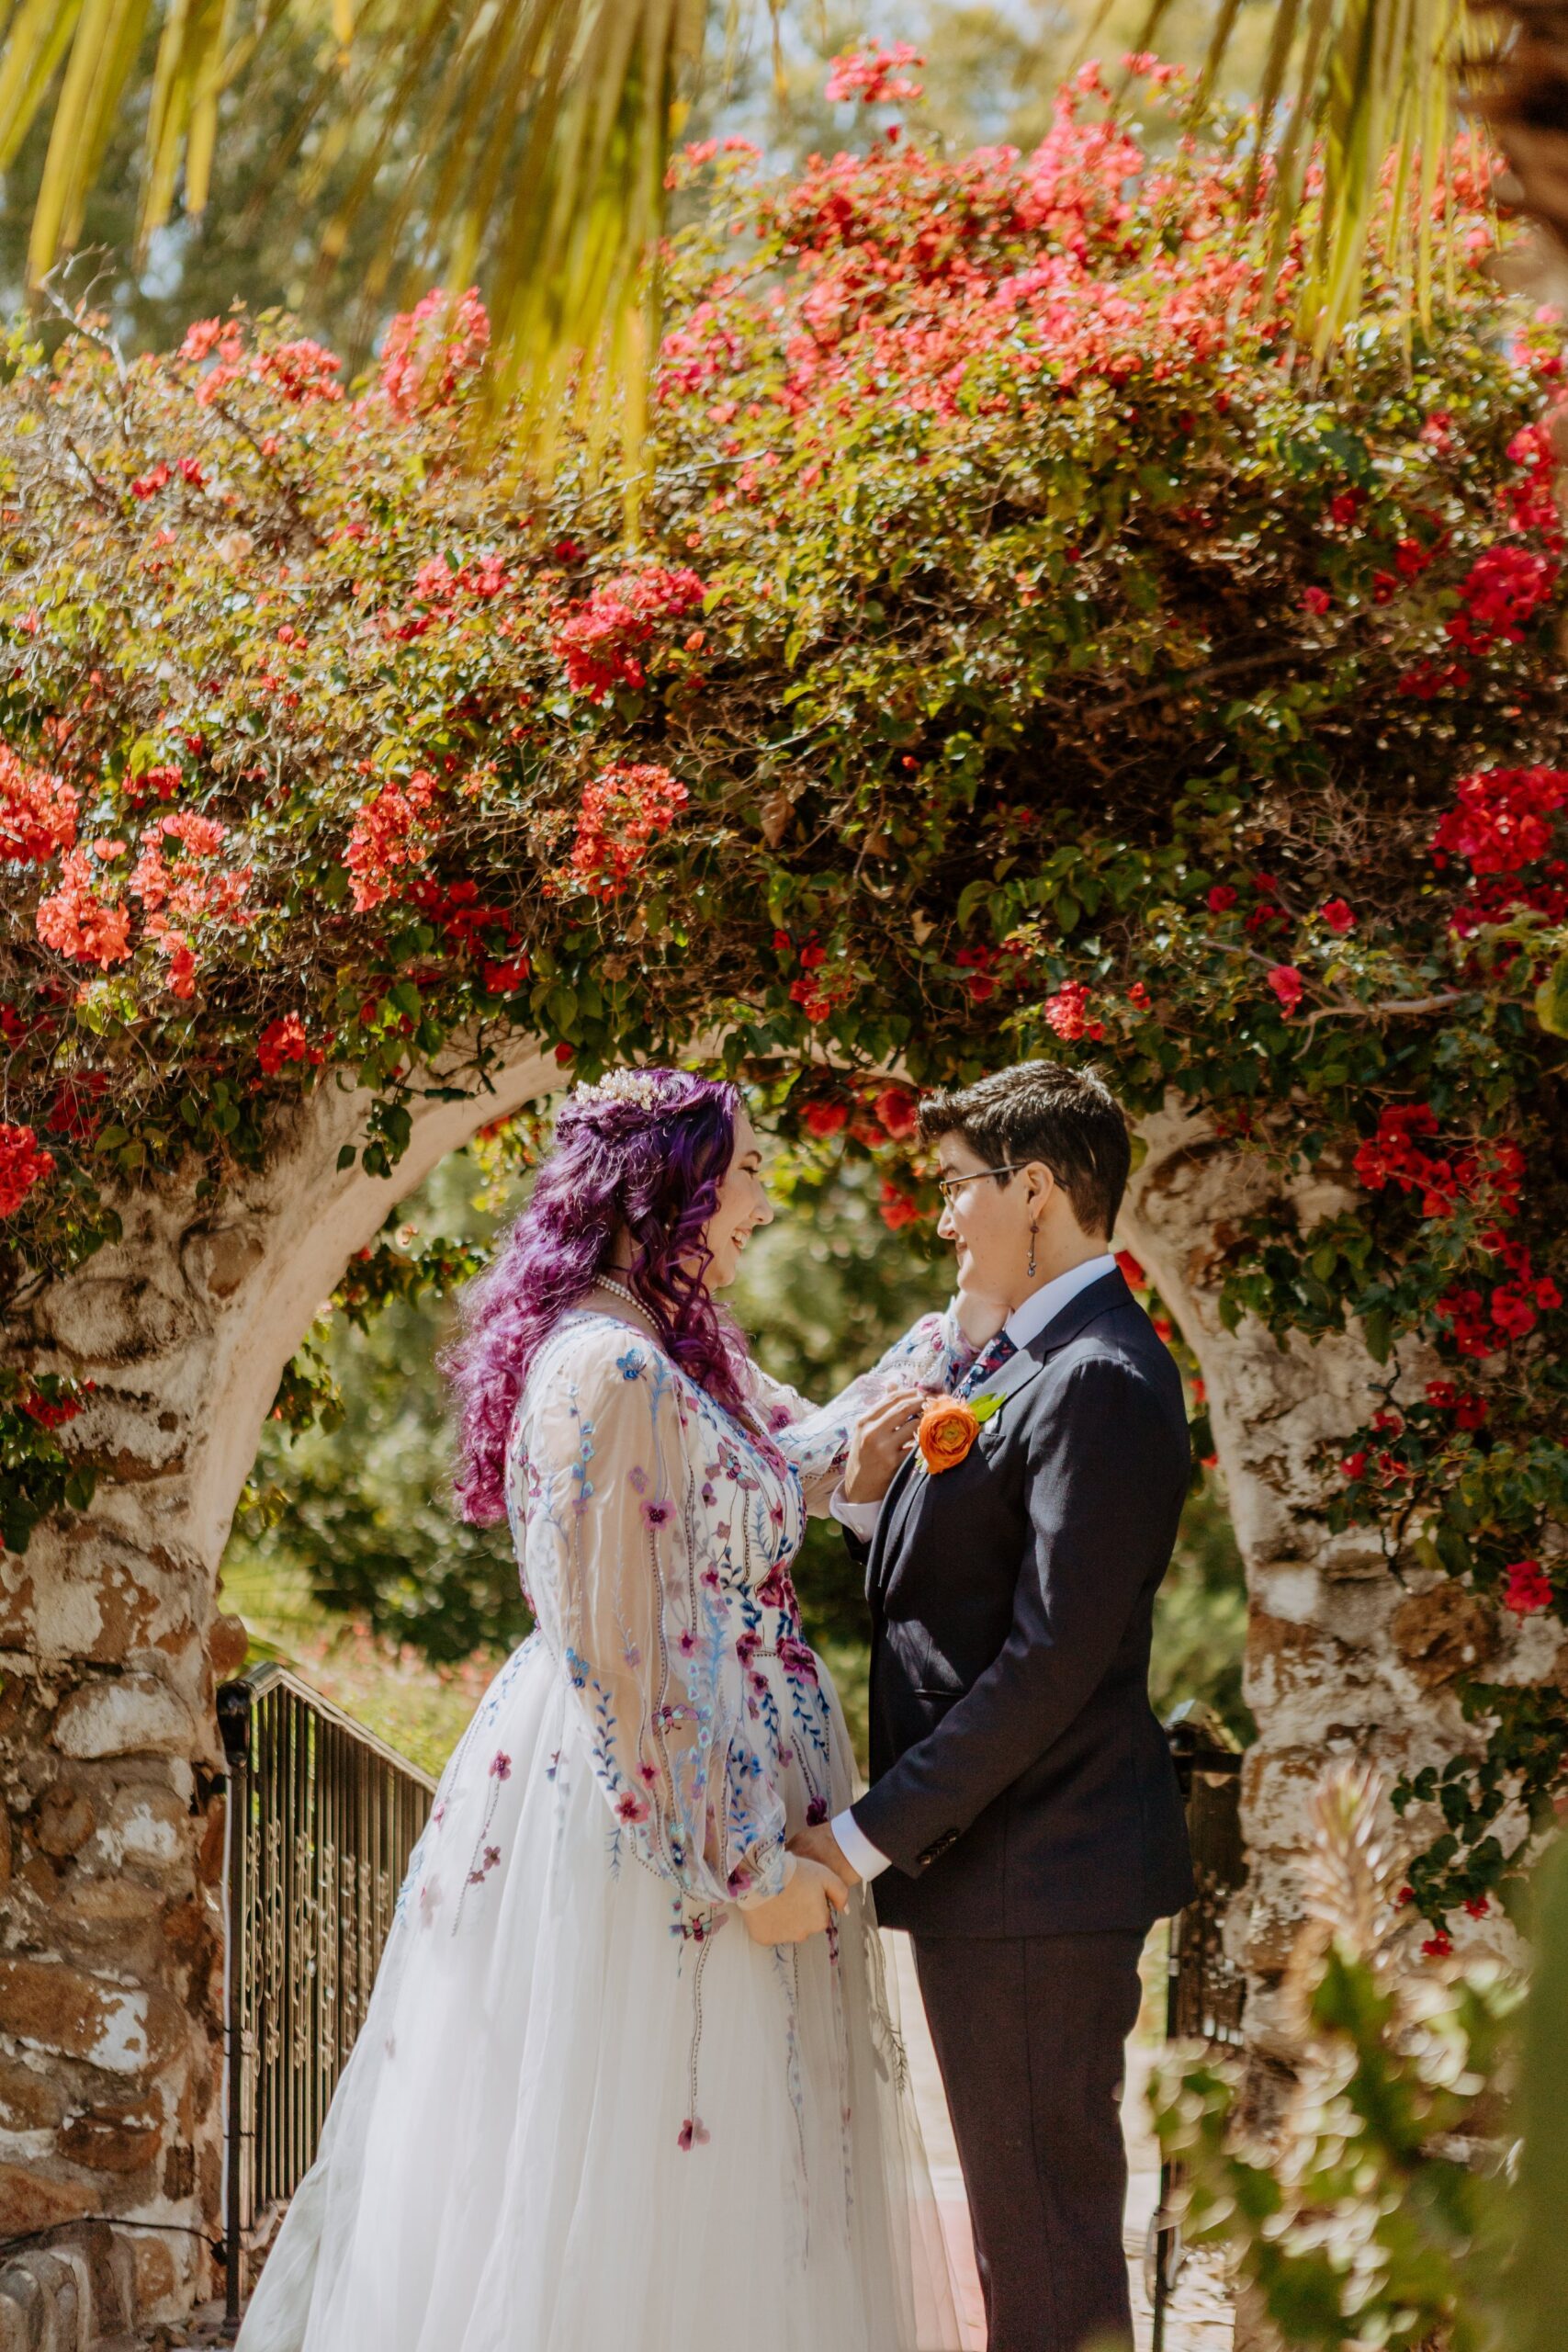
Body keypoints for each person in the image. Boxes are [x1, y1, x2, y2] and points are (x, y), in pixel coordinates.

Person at [236, 1066, 974, 2352]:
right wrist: (741, 1869)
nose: (760, 1201)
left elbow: (801, 1455)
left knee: (740, 2175)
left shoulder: (689, 1350)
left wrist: (964, 1323)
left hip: (715, 1794)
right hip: (663, 1831)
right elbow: (621, 1665)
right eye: (741, 1173)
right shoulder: (611, 1370)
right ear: (664, 1190)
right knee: (647, 2156)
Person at [793, 1060, 1196, 2352]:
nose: (946, 1217)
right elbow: (951, 1593)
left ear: (1034, 1189)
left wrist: (864, 1836)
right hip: (1010, 1874)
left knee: (1047, 2252)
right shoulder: (1021, 1357)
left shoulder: (1098, 1376)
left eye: (961, 1189)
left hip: (1044, 1874)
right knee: (1024, 2239)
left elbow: (1047, 1663)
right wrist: (865, 1495)